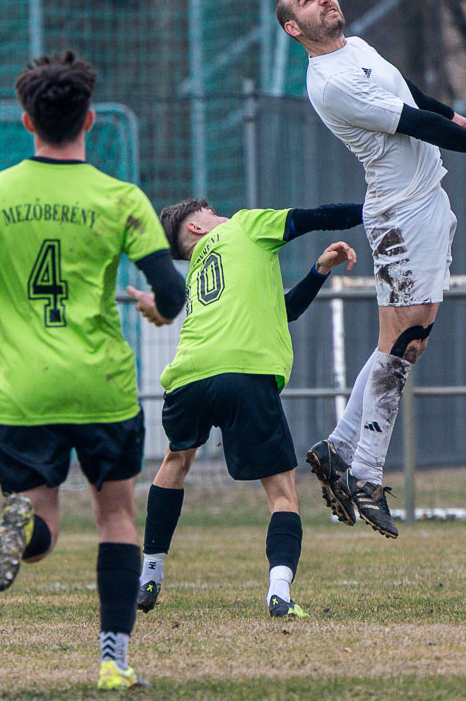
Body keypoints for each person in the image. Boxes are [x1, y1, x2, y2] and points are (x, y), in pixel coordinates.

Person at [0, 51, 186, 691]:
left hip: (24, 387)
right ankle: (114, 660)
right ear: (90, 119)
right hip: (100, 384)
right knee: (116, 517)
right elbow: (171, 292)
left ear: (27, 121)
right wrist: (158, 311)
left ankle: (23, 531)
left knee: (42, 517)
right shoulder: (120, 198)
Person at [275, 0, 466, 538]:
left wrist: (449, 112)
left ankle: (338, 449)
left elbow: (406, 90)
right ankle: (365, 475)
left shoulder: (355, 48)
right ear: (294, 29)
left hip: (421, 205)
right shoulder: (330, 83)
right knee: (403, 345)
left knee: (402, 343)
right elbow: (412, 122)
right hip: (400, 213)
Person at [123, 198, 363, 618]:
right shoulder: (246, 226)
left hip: (188, 377)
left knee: (175, 463)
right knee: (283, 493)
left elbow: (281, 311)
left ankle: (150, 573)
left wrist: (319, 270)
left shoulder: (199, 271)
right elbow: (314, 217)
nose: (223, 216)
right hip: (245, 373)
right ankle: (279, 592)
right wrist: (380, 206)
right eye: (213, 214)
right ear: (197, 228)